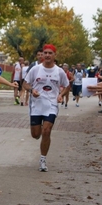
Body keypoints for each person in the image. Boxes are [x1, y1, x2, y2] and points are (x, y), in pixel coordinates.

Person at [23, 44, 69, 172]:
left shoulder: (59, 71)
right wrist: (32, 90)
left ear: (55, 55)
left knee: (47, 131)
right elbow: (25, 84)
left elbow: (66, 85)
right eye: (45, 53)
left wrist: (61, 95)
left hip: (51, 105)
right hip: (36, 105)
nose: (47, 55)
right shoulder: (35, 69)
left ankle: (43, 159)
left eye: (50, 53)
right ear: (42, 55)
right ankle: (39, 132)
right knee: (35, 134)